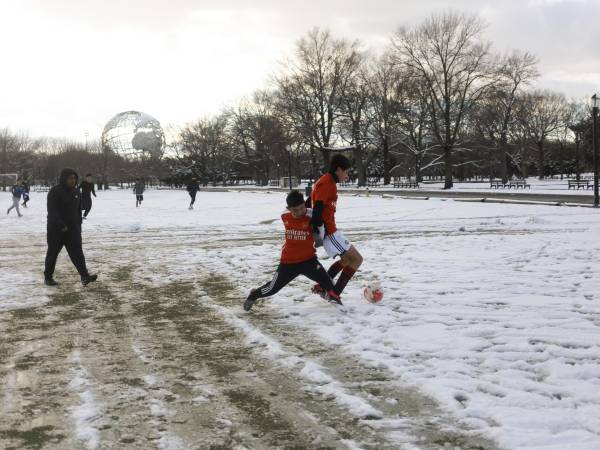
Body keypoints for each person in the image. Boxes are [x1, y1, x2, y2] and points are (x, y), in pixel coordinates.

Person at [244, 190, 340, 312]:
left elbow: (321, 231)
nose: (299, 212)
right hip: (288, 262)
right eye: (295, 210)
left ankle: (325, 295)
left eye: (301, 208)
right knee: (272, 289)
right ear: (289, 209)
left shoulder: (312, 216)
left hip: (309, 261)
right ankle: (253, 295)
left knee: (330, 285)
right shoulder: (284, 215)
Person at [310, 154, 363, 299]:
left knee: (346, 261)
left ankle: (322, 285)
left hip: (332, 232)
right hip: (330, 234)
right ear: (338, 169)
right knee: (357, 260)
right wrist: (318, 234)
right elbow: (317, 209)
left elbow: (311, 201)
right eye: (346, 172)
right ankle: (334, 293)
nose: (347, 175)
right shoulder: (326, 183)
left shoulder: (328, 182)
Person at [44, 168, 97, 286]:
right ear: (64, 178)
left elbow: (79, 210)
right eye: (70, 178)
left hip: (73, 229)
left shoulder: (76, 192)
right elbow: (52, 211)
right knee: (52, 253)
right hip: (56, 230)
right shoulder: (55, 191)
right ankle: (48, 277)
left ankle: (85, 276)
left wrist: (79, 224)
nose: (72, 181)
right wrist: (61, 225)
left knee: (78, 253)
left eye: (74, 178)